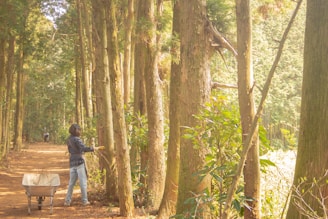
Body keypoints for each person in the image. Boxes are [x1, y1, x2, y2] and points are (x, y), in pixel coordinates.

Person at [64, 124, 94, 206]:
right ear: (75, 131)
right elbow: (83, 148)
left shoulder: (69, 140)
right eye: (78, 130)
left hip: (72, 162)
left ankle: (67, 201)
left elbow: (72, 150)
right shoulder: (77, 139)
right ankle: (84, 201)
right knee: (83, 182)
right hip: (80, 162)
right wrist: (92, 148)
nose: (79, 131)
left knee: (71, 183)